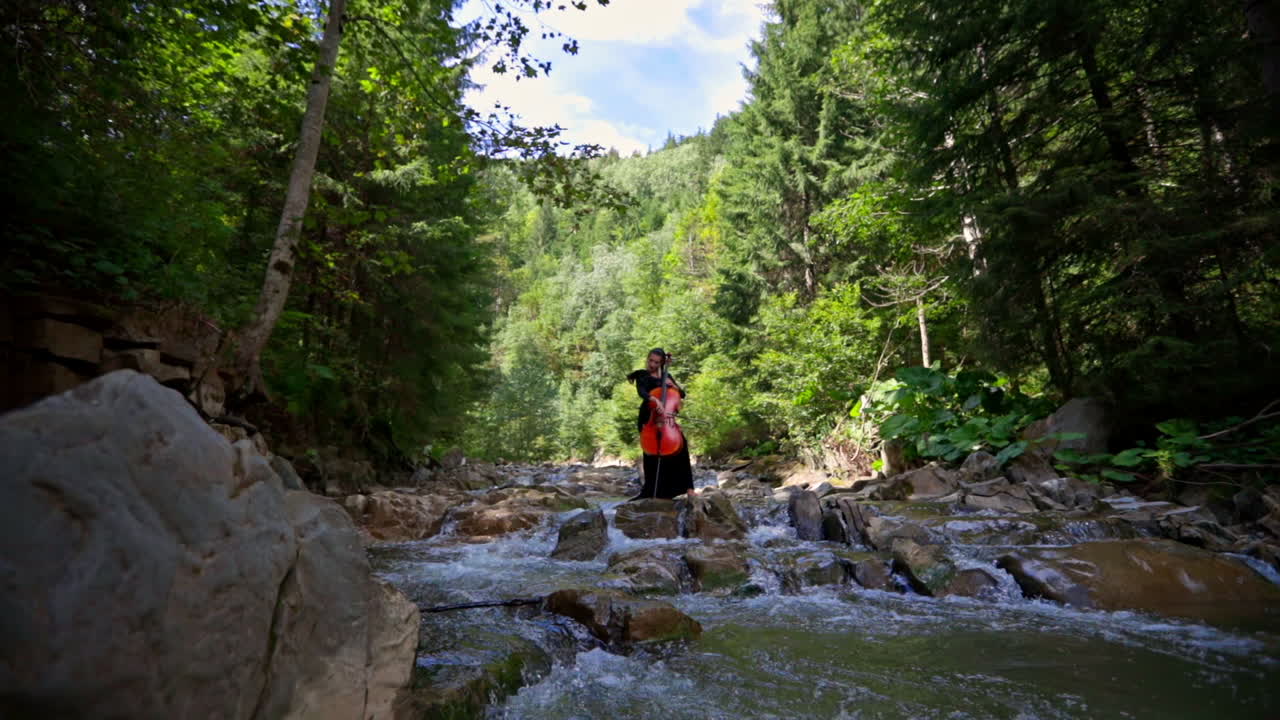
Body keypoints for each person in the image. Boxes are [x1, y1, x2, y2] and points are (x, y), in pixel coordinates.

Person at [625, 347, 695, 500]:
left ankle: (688, 489)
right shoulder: (642, 375)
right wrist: (654, 399)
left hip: (667, 419)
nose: (652, 364)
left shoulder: (667, 376)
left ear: (662, 362)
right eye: (650, 360)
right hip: (649, 418)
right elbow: (642, 392)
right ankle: (651, 490)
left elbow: (681, 394)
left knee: (681, 446)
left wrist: (673, 385)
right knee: (652, 454)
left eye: (656, 362)